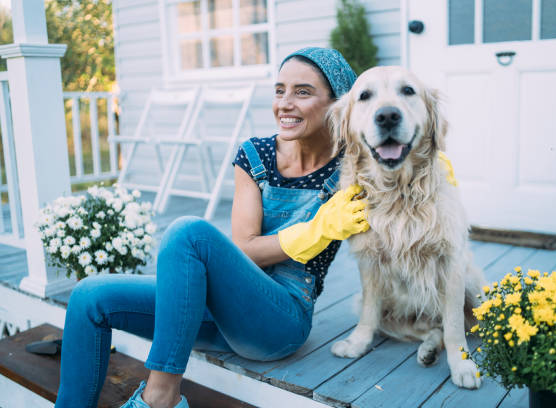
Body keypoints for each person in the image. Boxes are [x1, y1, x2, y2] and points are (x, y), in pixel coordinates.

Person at [55, 47, 369, 408]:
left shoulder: (352, 167)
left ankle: (160, 396)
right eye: (279, 90)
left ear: (338, 103)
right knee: (88, 297)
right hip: (221, 306)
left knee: (188, 233)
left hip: (281, 319)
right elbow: (245, 248)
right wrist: (316, 231)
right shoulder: (255, 155)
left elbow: (406, 174)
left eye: (302, 92)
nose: (285, 103)